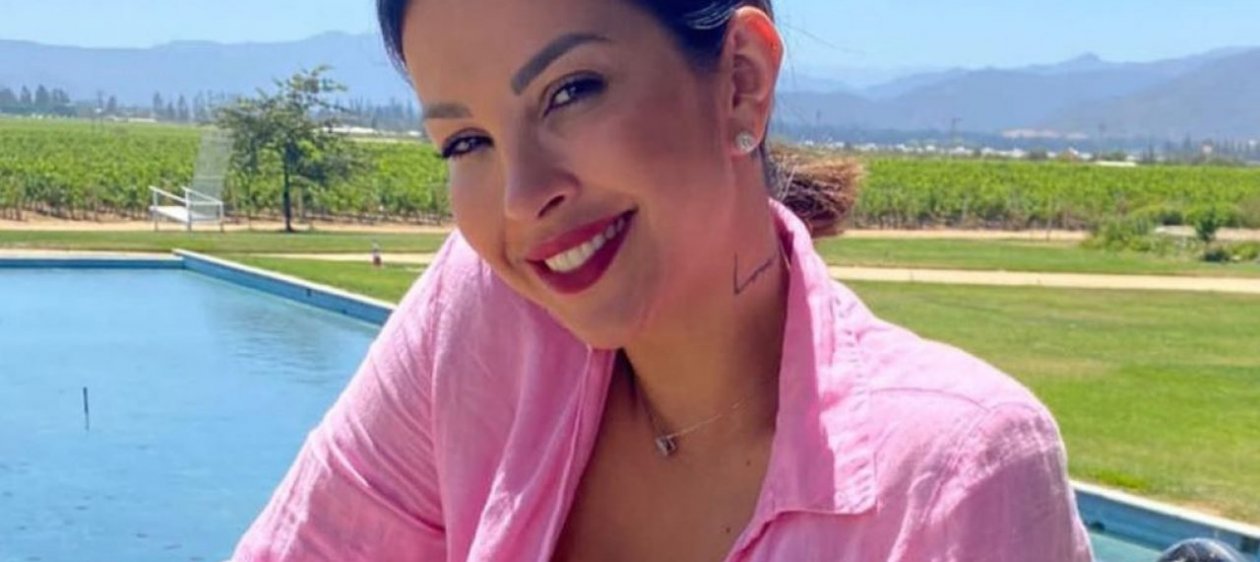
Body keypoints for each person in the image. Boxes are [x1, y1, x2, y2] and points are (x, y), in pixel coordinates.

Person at [230, 1, 1094, 560]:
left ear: (741, 82)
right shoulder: (486, 319)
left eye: (570, 91)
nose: (523, 197)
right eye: (466, 142)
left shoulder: (954, 476)